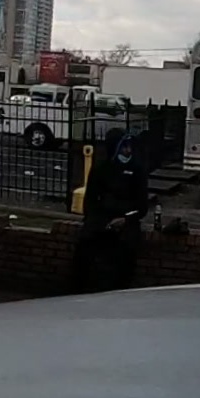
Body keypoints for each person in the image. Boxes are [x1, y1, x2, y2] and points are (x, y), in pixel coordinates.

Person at [68, 119, 152, 293]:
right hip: (102, 220)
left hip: (126, 222)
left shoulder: (137, 171)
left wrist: (125, 219)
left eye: (129, 147)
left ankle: (119, 289)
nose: (128, 151)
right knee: (85, 246)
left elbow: (142, 206)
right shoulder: (101, 169)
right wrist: (100, 221)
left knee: (125, 252)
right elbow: (91, 201)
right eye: (123, 147)